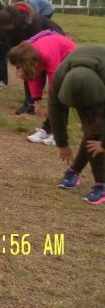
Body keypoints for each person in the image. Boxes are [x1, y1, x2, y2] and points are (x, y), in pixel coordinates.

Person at [48, 45, 105, 204]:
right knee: (92, 130)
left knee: (95, 133)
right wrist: (62, 143)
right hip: (89, 78)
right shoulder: (61, 77)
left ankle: (101, 185)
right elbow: (55, 110)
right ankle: (74, 171)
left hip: (99, 80)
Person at [8, 31, 76, 145]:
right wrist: (36, 102)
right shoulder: (30, 56)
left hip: (69, 58)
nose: (17, 70)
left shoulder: (46, 53)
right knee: (54, 102)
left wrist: (50, 104)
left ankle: (59, 134)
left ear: (26, 61)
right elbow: (32, 77)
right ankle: (47, 129)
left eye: (18, 66)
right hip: (51, 57)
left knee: (60, 97)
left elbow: (54, 81)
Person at [0, 2, 64, 115]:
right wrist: (19, 66)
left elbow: (38, 45)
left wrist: (26, 64)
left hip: (52, 40)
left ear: (13, 22)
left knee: (36, 71)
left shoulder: (32, 21)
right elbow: (12, 46)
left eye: (5, 27)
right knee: (27, 71)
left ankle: (44, 103)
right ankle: (30, 103)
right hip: (33, 44)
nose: (4, 29)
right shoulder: (8, 27)